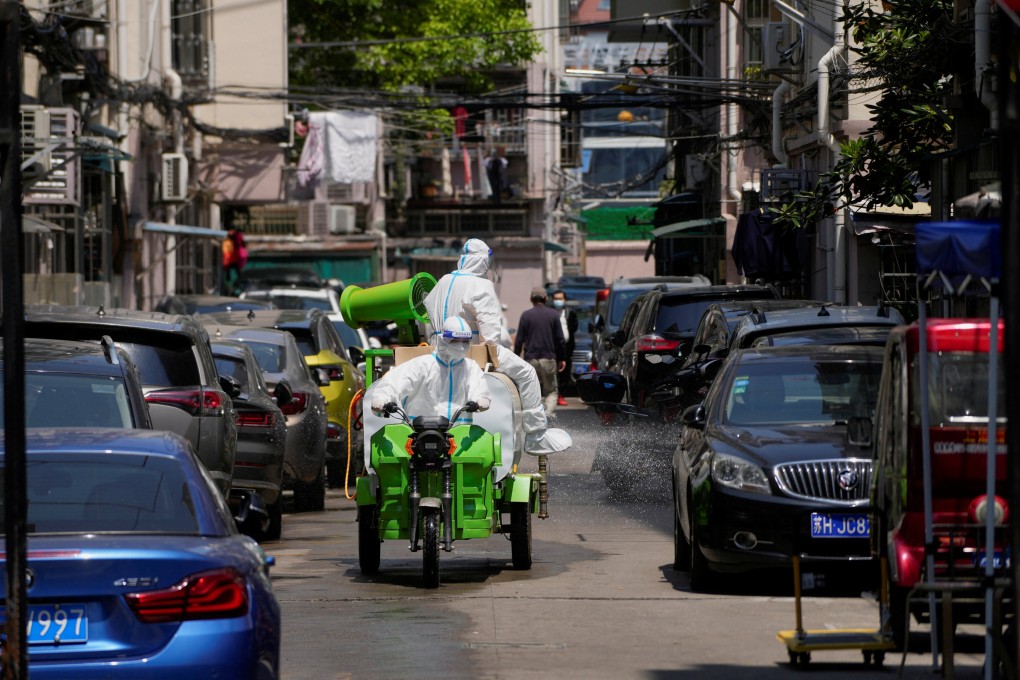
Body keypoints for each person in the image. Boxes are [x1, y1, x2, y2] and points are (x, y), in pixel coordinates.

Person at [423, 238, 570, 455]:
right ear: (483, 262)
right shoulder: (481, 285)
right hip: (473, 351)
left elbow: (426, 312)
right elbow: (490, 335)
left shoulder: (442, 281)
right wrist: (491, 353)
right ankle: (535, 436)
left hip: (438, 351)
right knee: (528, 373)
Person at [370, 316, 492, 421]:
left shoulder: (470, 367)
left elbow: (478, 386)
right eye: (455, 341)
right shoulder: (423, 365)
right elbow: (394, 382)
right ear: (443, 340)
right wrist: (382, 398)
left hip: (459, 433)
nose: (461, 346)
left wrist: (481, 398)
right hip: (418, 434)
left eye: (465, 341)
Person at [514, 287, 566, 415]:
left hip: (530, 359)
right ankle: (548, 416)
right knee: (551, 390)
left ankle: (532, 417)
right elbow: (560, 339)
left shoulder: (526, 315)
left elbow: (519, 340)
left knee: (531, 390)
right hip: (548, 358)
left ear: (531, 299)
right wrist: (562, 357)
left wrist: (515, 358)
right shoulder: (553, 314)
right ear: (546, 298)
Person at [551, 289, 578, 407]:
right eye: (556, 299)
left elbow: (574, 327)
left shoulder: (569, 313)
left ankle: (561, 395)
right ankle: (552, 394)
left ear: (565, 300)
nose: (558, 301)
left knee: (565, 373)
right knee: (552, 372)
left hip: (567, 347)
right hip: (552, 347)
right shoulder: (550, 313)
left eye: (560, 298)